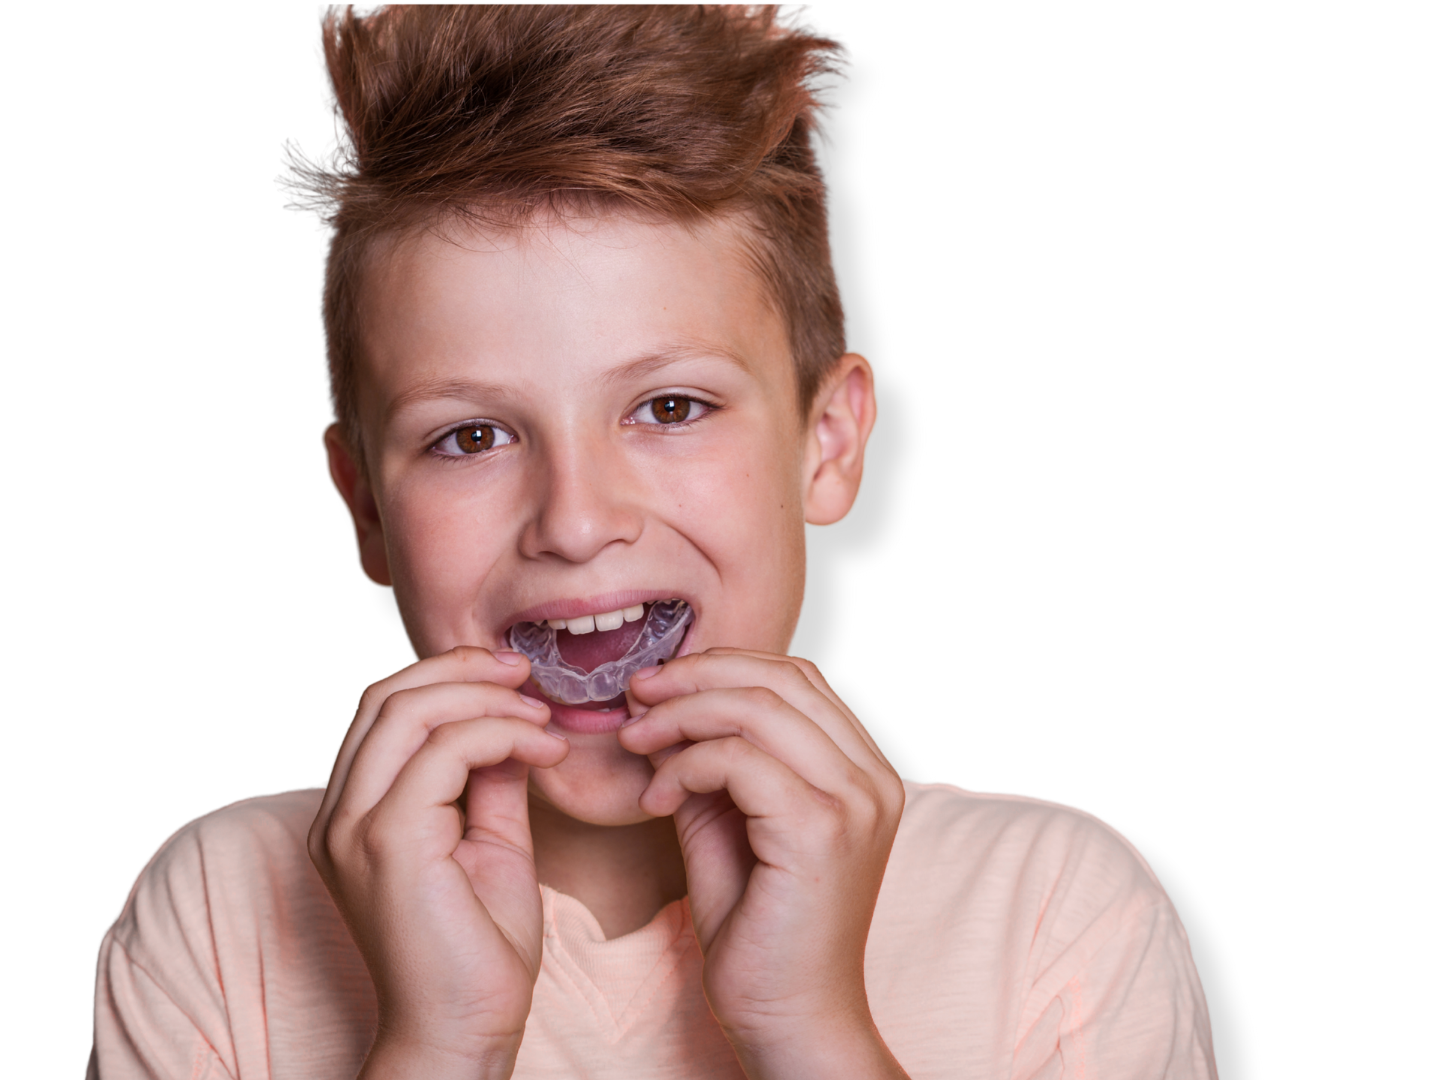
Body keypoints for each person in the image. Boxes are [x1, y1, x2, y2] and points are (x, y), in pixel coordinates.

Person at [87, 5, 1218, 1078]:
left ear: (826, 443)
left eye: (670, 408)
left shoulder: (1054, 907)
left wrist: (807, 1029)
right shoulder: (218, 908)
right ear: (364, 508)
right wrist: (440, 1044)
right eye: (472, 435)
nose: (577, 523)